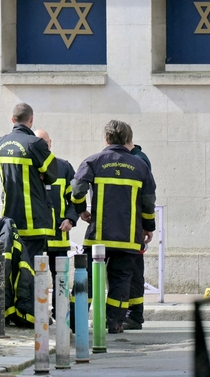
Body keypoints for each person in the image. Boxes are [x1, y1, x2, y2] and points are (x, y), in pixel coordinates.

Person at [71, 120, 157, 334]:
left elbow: (76, 189)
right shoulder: (140, 166)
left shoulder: (94, 161)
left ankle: (75, 322)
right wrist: (149, 227)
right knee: (120, 282)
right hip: (128, 238)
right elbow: (148, 202)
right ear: (128, 140)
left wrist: (81, 209)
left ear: (106, 139)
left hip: (98, 236)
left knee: (88, 279)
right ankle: (115, 324)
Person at [0, 103, 58, 260]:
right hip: (33, 221)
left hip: (9, 218)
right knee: (30, 270)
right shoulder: (35, 143)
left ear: (12, 119)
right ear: (31, 119)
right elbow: (52, 175)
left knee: (11, 265)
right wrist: (39, 174)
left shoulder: (0, 143)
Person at [35, 129, 78, 319]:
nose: (43, 146)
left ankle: (60, 315)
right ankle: (39, 314)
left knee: (60, 278)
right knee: (36, 277)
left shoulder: (64, 167)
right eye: (38, 142)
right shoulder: (28, 168)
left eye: (45, 142)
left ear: (50, 143)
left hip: (59, 235)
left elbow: (75, 199)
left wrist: (70, 219)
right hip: (36, 235)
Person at [123, 132, 154, 330]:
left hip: (132, 226)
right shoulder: (138, 159)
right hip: (130, 225)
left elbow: (147, 197)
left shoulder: (137, 160)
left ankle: (134, 315)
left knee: (133, 272)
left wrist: (147, 225)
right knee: (131, 271)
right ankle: (132, 314)